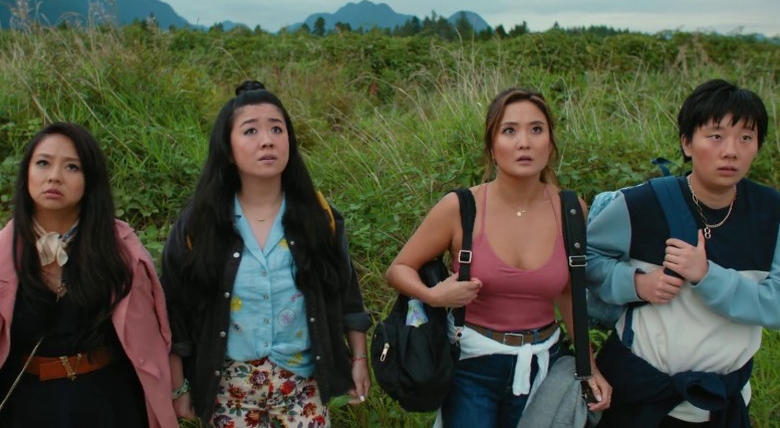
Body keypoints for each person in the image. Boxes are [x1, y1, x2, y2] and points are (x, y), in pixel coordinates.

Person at [386, 87, 612, 427]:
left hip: (543, 365)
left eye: (536, 130)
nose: (524, 142)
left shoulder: (570, 210)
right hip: (472, 366)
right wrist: (434, 295)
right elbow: (399, 269)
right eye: (510, 130)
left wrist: (588, 363)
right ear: (492, 148)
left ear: (550, 145)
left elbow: (568, 292)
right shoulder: (461, 208)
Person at [161, 81, 371, 427]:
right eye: (250, 131)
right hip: (229, 388)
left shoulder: (320, 217)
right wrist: (178, 384)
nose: (267, 140)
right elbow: (174, 308)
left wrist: (358, 358)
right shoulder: (199, 225)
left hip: (303, 383)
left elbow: (346, 292)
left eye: (277, 128)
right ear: (227, 148)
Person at [586, 79, 780, 427]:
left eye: (746, 138)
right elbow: (586, 259)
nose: (731, 150)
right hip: (641, 399)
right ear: (687, 143)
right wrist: (636, 283)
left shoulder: (772, 213)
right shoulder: (642, 205)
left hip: (722, 402)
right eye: (716, 136)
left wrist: (707, 276)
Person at [0, 122, 178, 427]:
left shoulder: (120, 250)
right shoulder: (4, 253)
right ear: (27, 172)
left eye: (72, 167)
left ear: (90, 179)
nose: (54, 176)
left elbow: (152, 338)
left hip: (108, 403)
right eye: (43, 163)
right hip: (26, 406)